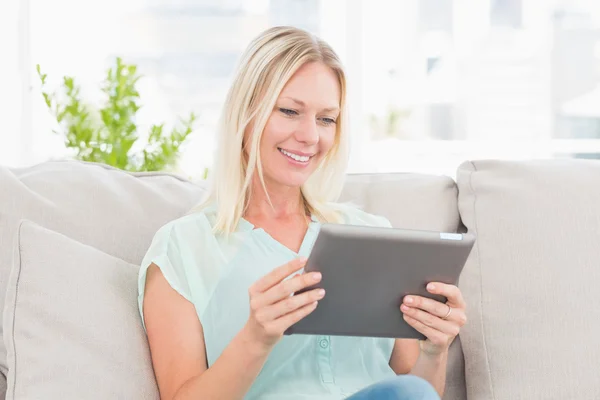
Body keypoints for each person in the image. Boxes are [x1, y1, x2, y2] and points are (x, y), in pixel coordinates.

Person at [138, 26, 467, 400]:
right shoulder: (182, 250)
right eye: (291, 111)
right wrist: (256, 339)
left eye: (326, 119)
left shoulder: (370, 235)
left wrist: (434, 349)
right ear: (246, 114)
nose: (310, 135)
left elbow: (416, 390)